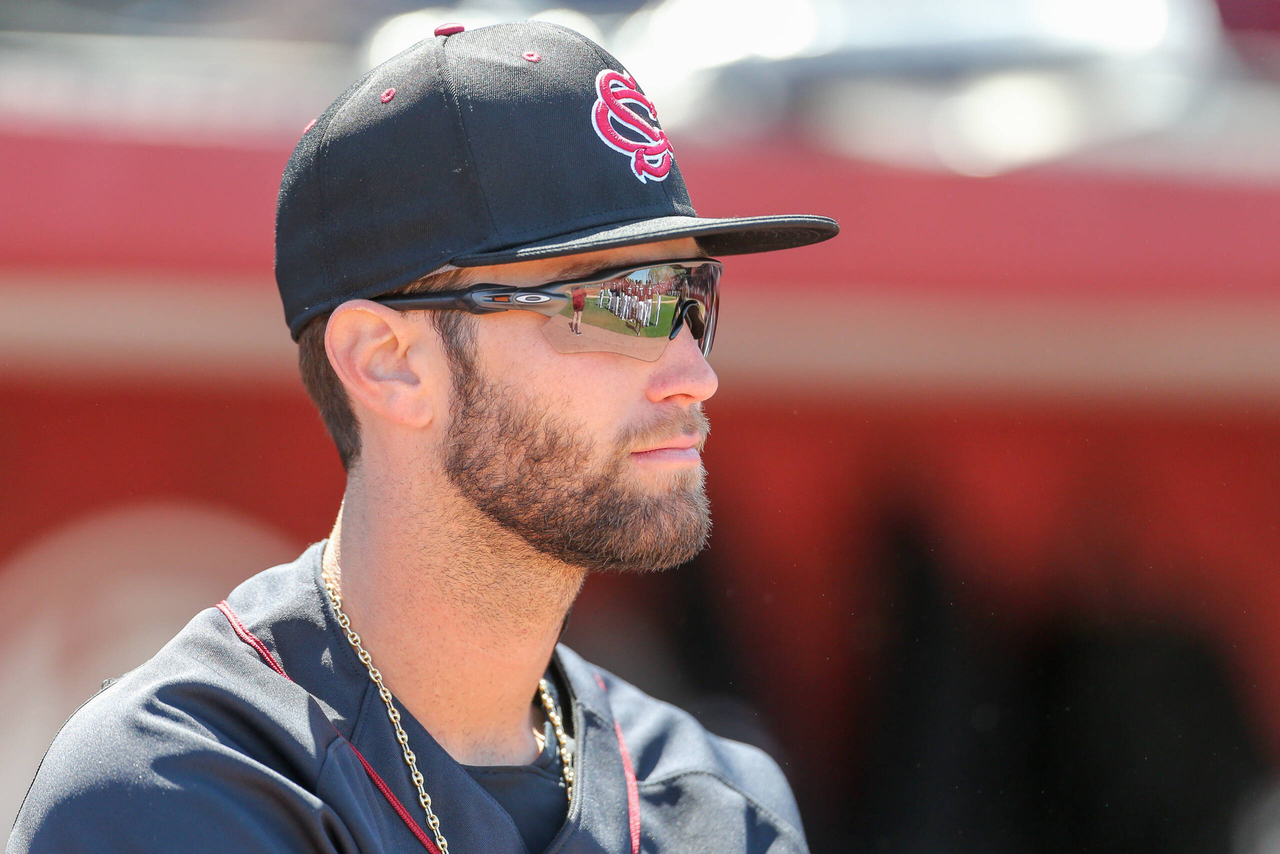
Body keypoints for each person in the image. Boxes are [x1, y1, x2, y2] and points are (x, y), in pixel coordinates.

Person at [7, 21, 836, 854]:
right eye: (625, 302)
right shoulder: (173, 791)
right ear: (388, 362)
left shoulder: (720, 804)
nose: (695, 374)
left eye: (693, 297)